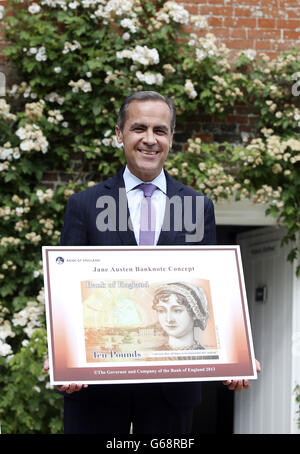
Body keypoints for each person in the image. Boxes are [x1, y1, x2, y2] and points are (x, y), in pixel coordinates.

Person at [45, 90, 261, 434]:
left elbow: (207, 287)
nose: (150, 139)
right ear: (120, 134)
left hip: (171, 388)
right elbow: (67, 292)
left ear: (171, 139)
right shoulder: (84, 205)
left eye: (160, 130)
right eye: (138, 128)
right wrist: (61, 355)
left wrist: (236, 352)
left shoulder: (196, 206)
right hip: (98, 383)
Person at [153, 282, 209, 350]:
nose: (169, 319)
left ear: (194, 313)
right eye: (161, 311)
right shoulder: (154, 357)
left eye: (177, 311)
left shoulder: (208, 355)